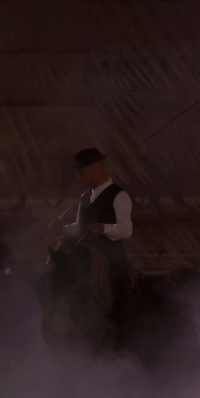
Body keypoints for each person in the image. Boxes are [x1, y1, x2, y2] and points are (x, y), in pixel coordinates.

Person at [62, 147, 134, 342]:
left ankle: (121, 337)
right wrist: (61, 229)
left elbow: (126, 229)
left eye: (81, 172)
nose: (79, 177)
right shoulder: (84, 198)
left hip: (113, 263)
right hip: (86, 261)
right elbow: (80, 226)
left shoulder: (119, 196)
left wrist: (105, 228)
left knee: (118, 293)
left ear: (94, 169)